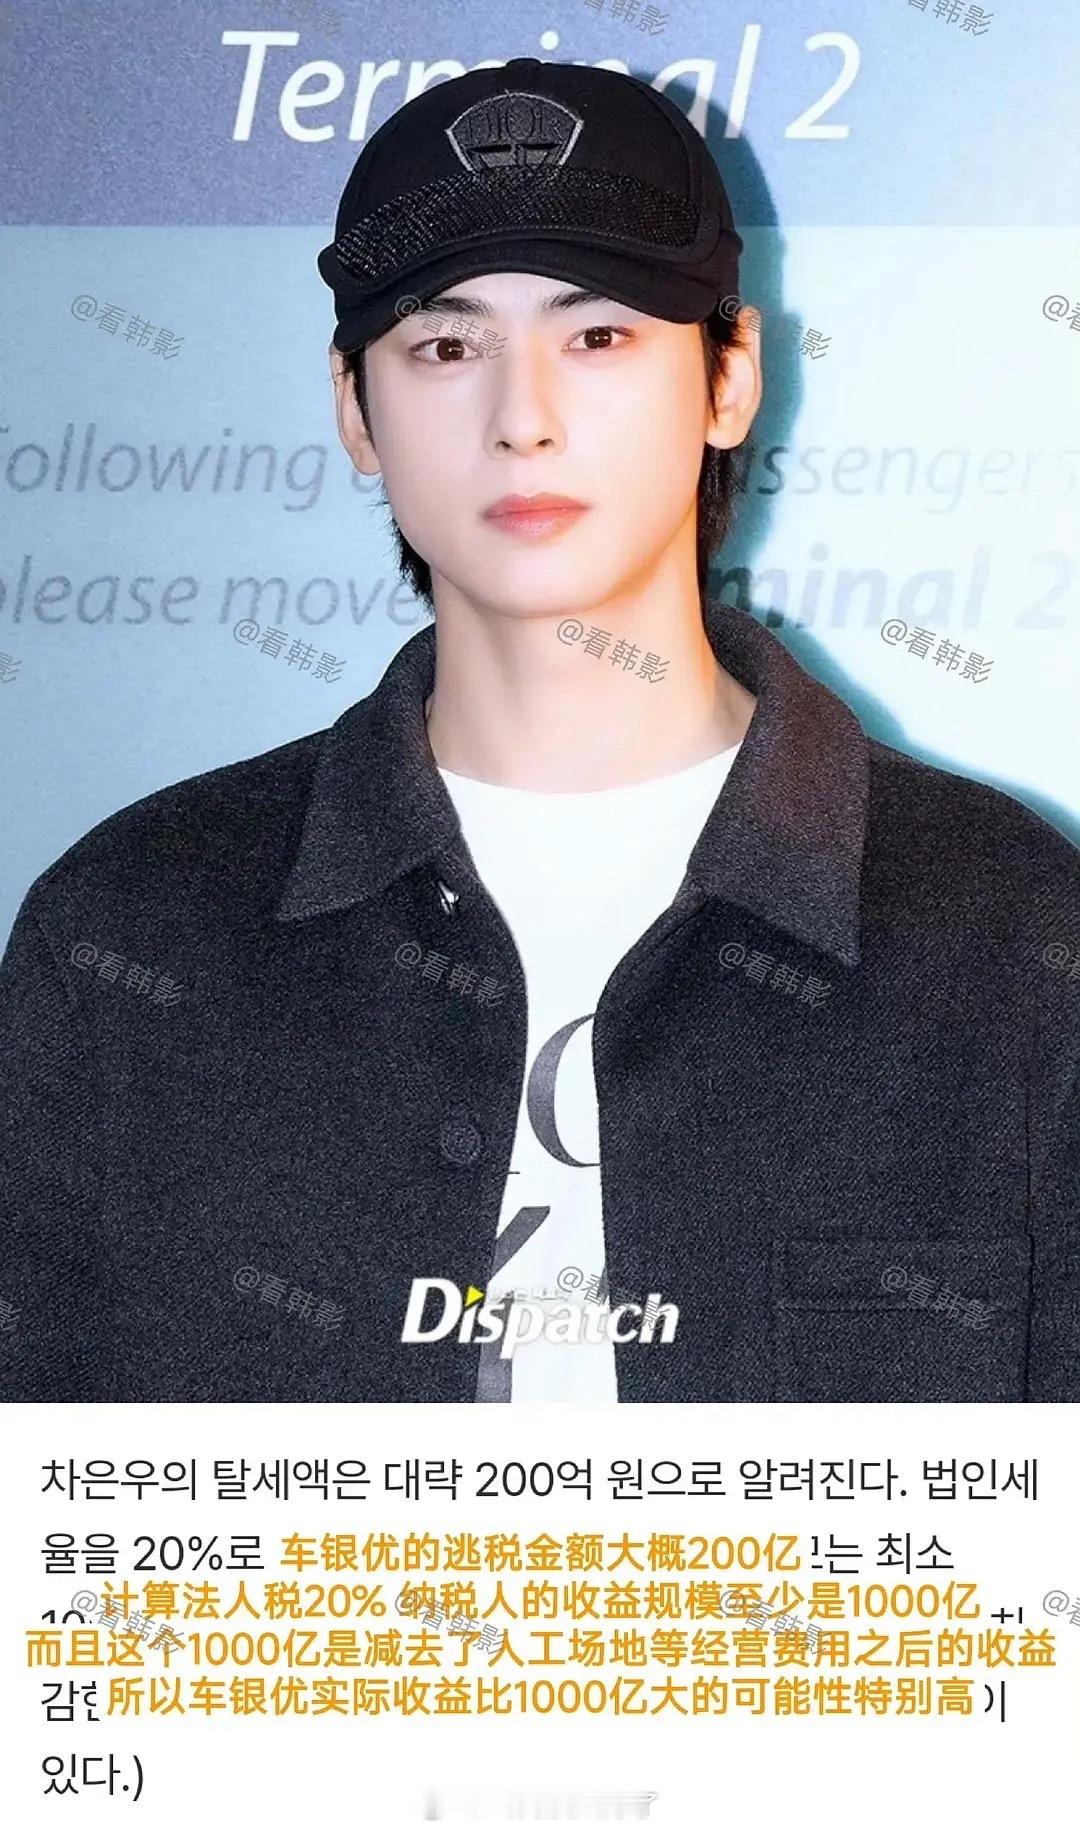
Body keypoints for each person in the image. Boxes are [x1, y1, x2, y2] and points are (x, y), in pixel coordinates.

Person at [2, 58, 1078, 1405]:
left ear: (730, 378)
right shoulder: (130, 928)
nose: (524, 421)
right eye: (446, 348)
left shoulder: (1012, 929)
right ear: (354, 409)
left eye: (600, 337)